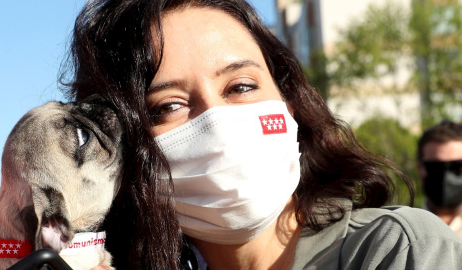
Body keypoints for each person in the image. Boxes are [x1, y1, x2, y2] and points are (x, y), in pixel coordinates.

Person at [60, 0, 462, 269]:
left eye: (241, 87)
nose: (217, 122)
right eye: (167, 106)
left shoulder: (393, 249)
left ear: (288, 106)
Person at [417, 120, 462, 239]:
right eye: (435, 167)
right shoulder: (402, 230)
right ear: (420, 169)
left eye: (458, 166)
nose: (446, 176)